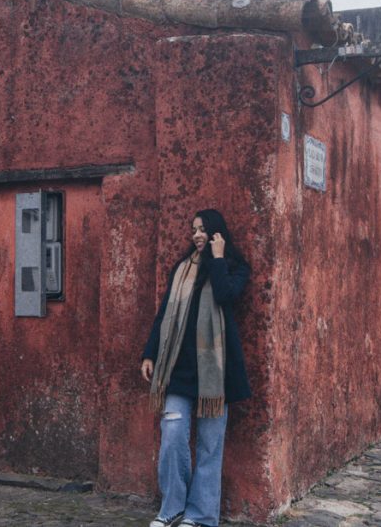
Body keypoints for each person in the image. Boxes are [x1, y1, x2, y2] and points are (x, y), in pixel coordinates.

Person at [140, 209, 251, 527]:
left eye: (203, 230)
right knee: (173, 433)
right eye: (194, 231)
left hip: (216, 372)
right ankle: (172, 507)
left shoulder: (234, 268)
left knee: (209, 444)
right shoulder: (182, 268)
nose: (197, 236)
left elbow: (225, 295)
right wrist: (150, 354)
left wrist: (217, 258)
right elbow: (164, 314)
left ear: (217, 232)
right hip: (178, 369)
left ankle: (200, 516)